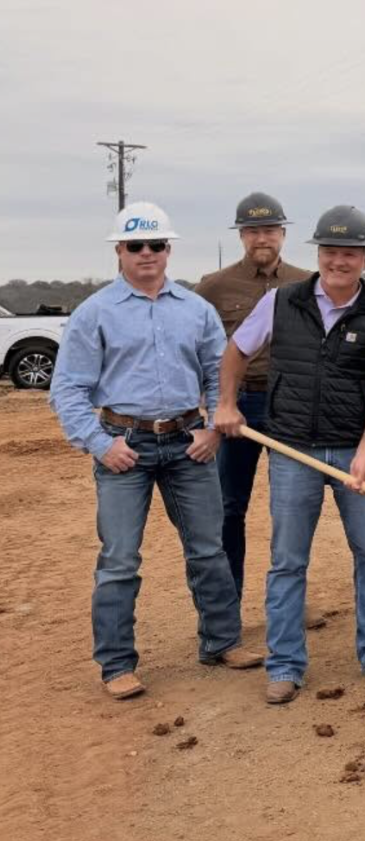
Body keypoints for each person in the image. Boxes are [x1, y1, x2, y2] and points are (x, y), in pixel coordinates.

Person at [49, 202, 262, 700]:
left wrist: (213, 427)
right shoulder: (94, 313)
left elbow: (218, 374)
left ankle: (222, 641)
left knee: (209, 548)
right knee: (120, 558)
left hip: (189, 443)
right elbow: (68, 390)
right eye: (135, 245)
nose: (147, 254)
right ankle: (117, 665)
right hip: (125, 447)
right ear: (119, 251)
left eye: (157, 245)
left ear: (169, 250)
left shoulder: (195, 310)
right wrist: (101, 446)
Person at [213, 206, 365, 703]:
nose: (338, 262)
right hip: (292, 449)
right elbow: (236, 352)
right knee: (287, 561)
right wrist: (228, 403)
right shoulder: (282, 303)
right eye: (330, 252)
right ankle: (284, 664)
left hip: (353, 450)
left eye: (349, 254)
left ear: (364, 258)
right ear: (318, 254)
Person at [195, 192, 313, 607]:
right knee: (229, 508)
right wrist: (209, 406)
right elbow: (197, 349)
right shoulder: (214, 287)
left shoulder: (306, 283)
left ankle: (288, 604)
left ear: (282, 234)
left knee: (292, 508)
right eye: (253, 231)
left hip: (291, 407)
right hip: (237, 408)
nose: (262, 238)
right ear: (242, 235)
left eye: (270, 230)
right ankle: (229, 609)